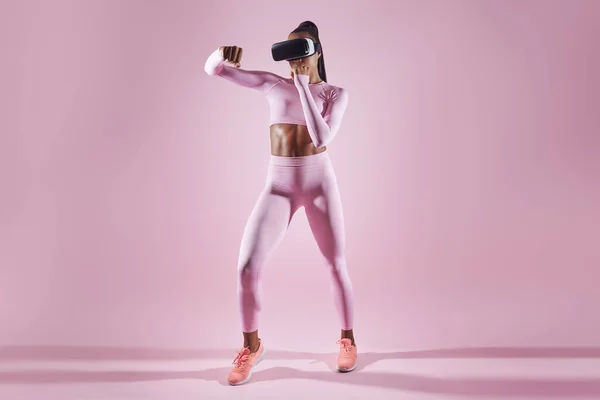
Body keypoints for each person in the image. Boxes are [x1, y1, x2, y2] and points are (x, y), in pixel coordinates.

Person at [204, 20, 357, 386]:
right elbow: (215, 71)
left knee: (335, 264)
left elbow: (321, 138)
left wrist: (305, 86)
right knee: (246, 267)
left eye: (299, 51)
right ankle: (251, 347)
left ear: (316, 51)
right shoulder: (274, 85)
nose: (292, 61)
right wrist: (220, 56)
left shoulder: (336, 93)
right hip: (279, 187)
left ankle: (349, 339)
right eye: (286, 53)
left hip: (319, 185)